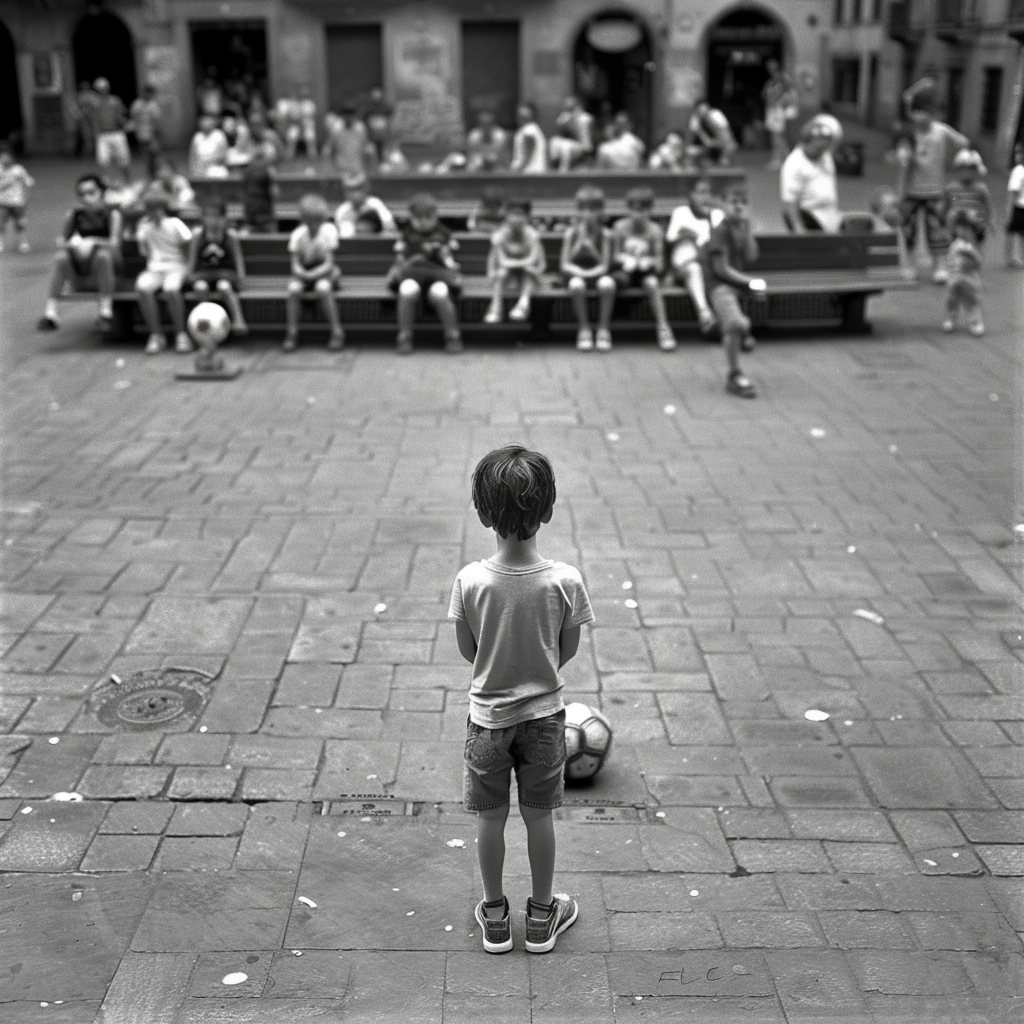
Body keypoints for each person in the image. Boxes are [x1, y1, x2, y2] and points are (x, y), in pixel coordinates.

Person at [449, 444, 593, 956]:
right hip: (546, 720)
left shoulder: (470, 581)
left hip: (486, 719)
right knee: (539, 816)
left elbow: (469, 651)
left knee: (490, 818)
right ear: (549, 511)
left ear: (483, 513)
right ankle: (540, 917)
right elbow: (566, 649)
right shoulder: (564, 580)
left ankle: (493, 917)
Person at [698, 184, 767, 398]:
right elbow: (721, 269)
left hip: (736, 285)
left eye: (743, 203)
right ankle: (734, 375)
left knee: (742, 318)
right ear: (724, 205)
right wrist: (750, 282)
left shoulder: (742, 228)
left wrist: (748, 228)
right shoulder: (720, 230)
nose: (738, 207)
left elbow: (751, 256)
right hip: (718, 285)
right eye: (733, 202)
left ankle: (742, 331)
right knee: (735, 324)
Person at [897, 93, 969, 282]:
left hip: (936, 190)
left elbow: (963, 142)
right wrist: (903, 157)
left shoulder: (942, 131)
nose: (919, 117)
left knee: (937, 230)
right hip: (912, 190)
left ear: (931, 113)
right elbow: (902, 154)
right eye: (915, 113)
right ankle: (909, 265)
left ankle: (939, 266)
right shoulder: (909, 133)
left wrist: (951, 161)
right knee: (908, 231)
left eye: (923, 112)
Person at [37, 173, 121, 333]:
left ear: (101, 193)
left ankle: (105, 311)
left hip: (109, 267)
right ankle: (50, 313)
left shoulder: (112, 214)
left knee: (103, 255)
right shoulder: (74, 215)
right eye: (82, 194)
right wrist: (73, 245)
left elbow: (115, 243)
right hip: (81, 264)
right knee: (60, 257)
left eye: (91, 193)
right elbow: (61, 240)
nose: (87, 198)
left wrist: (93, 241)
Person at [387, 192, 463, 354]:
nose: (422, 223)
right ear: (411, 217)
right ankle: (404, 336)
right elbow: (399, 260)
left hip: (437, 276)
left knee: (440, 293)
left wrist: (444, 257)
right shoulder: (407, 234)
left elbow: (452, 261)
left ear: (435, 216)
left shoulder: (444, 233)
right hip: (412, 276)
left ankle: (452, 335)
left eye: (427, 218)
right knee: (407, 290)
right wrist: (411, 260)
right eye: (417, 218)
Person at [610, 187, 674, 350]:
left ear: (650, 210)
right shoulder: (619, 227)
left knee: (652, 283)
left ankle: (663, 328)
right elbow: (614, 255)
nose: (639, 215)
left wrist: (649, 261)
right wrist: (626, 259)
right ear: (629, 209)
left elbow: (660, 262)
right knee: (618, 280)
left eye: (644, 210)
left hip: (646, 273)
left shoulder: (655, 230)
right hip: (625, 273)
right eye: (635, 210)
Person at [134, 187, 192, 354]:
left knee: (171, 289)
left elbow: (187, 245)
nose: (154, 212)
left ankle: (181, 334)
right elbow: (144, 252)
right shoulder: (144, 227)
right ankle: (156, 335)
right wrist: (144, 231)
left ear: (164, 208)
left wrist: (188, 268)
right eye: (150, 209)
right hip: (155, 269)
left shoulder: (175, 224)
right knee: (143, 287)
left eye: (157, 208)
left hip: (177, 267)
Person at [284, 193, 345, 351]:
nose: (315, 225)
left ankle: (336, 331)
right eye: (311, 222)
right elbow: (295, 264)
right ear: (304, 220)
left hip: (325, 273)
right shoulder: (298, 235)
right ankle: (292, 332)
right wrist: (302, 273)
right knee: (293, 289)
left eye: (318, 221)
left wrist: (313, 275)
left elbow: (329, 264)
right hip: (304, 272)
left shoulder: (329, 232)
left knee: (323, 288)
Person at [560, 185, 615, 352]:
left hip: (597, 273)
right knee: (576, 285)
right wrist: (578, 246)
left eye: (593, 210)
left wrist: (592, 250)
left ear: (601, 211)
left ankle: (603, 329)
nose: (588, 214)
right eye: (583, 209)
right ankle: (584, 329)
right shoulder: (571, 233)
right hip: (575, 274)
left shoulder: (605, 234)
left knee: (608, 284)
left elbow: (605, 266)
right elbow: (565, 264)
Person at [666, 177, 724, 333]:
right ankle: (704, 313)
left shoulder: (717, 215)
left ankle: (710, 318)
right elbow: (670, 238)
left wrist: (708, 219)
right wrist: (686, 235)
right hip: (684, 263)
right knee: (693, 267)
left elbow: (718, 243)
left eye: (707, 193)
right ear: (691, 194)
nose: (704, 197)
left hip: (708, 262)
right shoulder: (680, 212)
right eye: (700, 192)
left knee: (699, 267)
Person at [186, 200, 248, 337]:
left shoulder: (230, 235)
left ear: (224, 218)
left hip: (225, 276)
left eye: (216, 216)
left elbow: (238, 260)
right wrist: (189, 276)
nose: (212, 220)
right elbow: (192, 262)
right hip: (204, 276)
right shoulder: (198, 235)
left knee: (224, 286)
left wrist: (241, 279)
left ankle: (238, 320)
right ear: (202, 218)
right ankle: (206, 325)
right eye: (208, 216)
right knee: (200, 287)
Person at [485, 197, 546, 324]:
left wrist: (530, 268)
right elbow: (498, 260)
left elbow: (537, 261)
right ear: (506, 215)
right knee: (502, 272)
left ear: (527, 217)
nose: (516, 219)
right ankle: (495, 307)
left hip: (529, 278)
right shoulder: (499, 235)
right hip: (506, 277)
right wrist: (492, 273)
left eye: (520, 215)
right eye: (513, 214)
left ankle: (523, 304)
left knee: (529, 271)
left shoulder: (533, 236)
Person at [780, 117, 842, 233]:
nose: (820, 152)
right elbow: (790, 202)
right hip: (809, 216)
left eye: (824, 147)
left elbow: (837, 135)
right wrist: (799, 229)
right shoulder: (794, 163)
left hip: (830, 214)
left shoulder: (824, 154)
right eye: (817, 148)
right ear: (805, 142)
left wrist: (820, 123)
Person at [942, 207, 985, 336]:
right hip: (954, 277)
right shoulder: (955, 243)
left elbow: (978, 263)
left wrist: (971, 255)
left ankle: (976, 322)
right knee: (951, 299)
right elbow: (949, 258)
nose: (963, 232)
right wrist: (947, 269)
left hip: (970, 278)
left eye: (967, 229)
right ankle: (951, 318)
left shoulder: (973, 246)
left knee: (972, 301)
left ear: (973, 231)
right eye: (960, 228)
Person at [942, 149, 992, 246]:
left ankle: (975, 244)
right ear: (958, 169)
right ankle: (951, 241)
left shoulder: (980, 188)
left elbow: (987, 205)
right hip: (956, 217)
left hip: (974, 218)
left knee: (974, 218)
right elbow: (945, 205)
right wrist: (944, 216)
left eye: (971, 170)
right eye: (964, 169)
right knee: (951, 216)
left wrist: (988, 220)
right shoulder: (951, 188)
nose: (967, 173)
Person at [762, 59, 798, 169]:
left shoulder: (783, 78)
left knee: (778, 136)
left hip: (779, 111)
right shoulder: (771, 81)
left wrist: (784, 104)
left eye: (772, 65)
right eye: (769, 66)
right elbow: (765, 95)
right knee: (775, 136)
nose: (770, 68)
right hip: (772, 110)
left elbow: (791, 93)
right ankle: (780, 159)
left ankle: (782, 159)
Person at [0, 144, 35, 253]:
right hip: (3, 202)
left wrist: (26, 187)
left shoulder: (18, 170)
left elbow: (29, 182)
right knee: (1, 224)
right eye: (3, 157)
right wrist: (8, 182)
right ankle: (0, 243)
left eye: (7, 156)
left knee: (20, 224)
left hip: (17, 202)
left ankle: (23, 243)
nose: (5, 159)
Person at [92, 78, 130, 174]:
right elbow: (94, 120)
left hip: (117, 133)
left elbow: (121, 115)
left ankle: (127, 182)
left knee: (123, 160)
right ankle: (105, 183)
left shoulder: (115, 101)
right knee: (103, 161)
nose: (102, 91)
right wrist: (95, 134)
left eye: (104, 88)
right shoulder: (95, 103)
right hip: (103, 134)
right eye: (100, 89)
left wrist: (125, 124)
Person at [322, 106, 369, 181]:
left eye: (351, 115)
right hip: (340, 169)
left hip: (357, 168)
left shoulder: (360, 128)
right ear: (342, 116)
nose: (348, 117)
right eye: (346, 115)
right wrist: (328, 169)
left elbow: (365, 147)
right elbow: (328, 148)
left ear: (354, 116)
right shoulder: (336, 129)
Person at [241, 138, 278, 233]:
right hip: (265, 213)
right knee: (272, 241)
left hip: (249, 212)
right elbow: (275, 193)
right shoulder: (269, 169)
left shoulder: (247, 169)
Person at [549, 96, 595, 171]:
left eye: (570, 106)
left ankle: (563, 173)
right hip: (572, 144)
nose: (567, 107)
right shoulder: (565, 116)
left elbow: (583, 133)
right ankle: (554, 166)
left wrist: (575, 119)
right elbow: (560, 129)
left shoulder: (585, 118)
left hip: (584, 148)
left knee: (566, 147)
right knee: (554, 141)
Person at [687, 100, 737, 167]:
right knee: (690, 152)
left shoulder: (716, 115)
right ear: (697, 110)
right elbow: (697, 135)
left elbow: (728, 139)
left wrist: (723, 153)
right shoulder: (696, 119)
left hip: (719, 146)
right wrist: (707, 142)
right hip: (705, 147)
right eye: (700, 110)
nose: (703, 112)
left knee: (725, 158)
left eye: (705, 109)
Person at [128, 85, 163, 178]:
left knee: (155, 155)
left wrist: (157, 133)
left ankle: (156, 174)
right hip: (141, 134)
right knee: (146, 157)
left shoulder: (153, 104)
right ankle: (150, 175)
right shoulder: (137, 104)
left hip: (152, 134)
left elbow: (157, 120)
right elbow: (133, 118)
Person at [510, 103, 548, 173]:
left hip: (529, 173)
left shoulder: (529, 129)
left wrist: (518, 170)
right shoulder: (531, 128)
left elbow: (529, 153)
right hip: (534, 172)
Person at [1006, 143, 1024, 269]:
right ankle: (1011, 257)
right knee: (1013, 232)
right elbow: (1013, 191)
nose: (1018, 155)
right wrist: (1009, 209)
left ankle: (1018, 257)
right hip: (1018, 206)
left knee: (1019, 233)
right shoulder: (1018, 171)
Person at [74, 81, 98, 159]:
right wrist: (78, 115)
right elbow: (74, 107)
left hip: (93, 118)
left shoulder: (92, 94)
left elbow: (97, 104)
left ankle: (96, 152)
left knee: (95, 134)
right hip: (84, 119)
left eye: (86, 87)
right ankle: (88, 153)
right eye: (83, 87)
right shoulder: (79, 95)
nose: (85, 88)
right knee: (86, 136)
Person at [296, 86, 318, 158]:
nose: (303, 95)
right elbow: (295, 115)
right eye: (302, 93)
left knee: (310, 137)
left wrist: (304, 119)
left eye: (305, 93)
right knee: (292, 136)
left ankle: (312, 155)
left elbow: (311, 114)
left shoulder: (310, 103)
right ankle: (290, 157)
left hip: (308, 124)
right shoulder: (297, 103)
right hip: (297, 125)